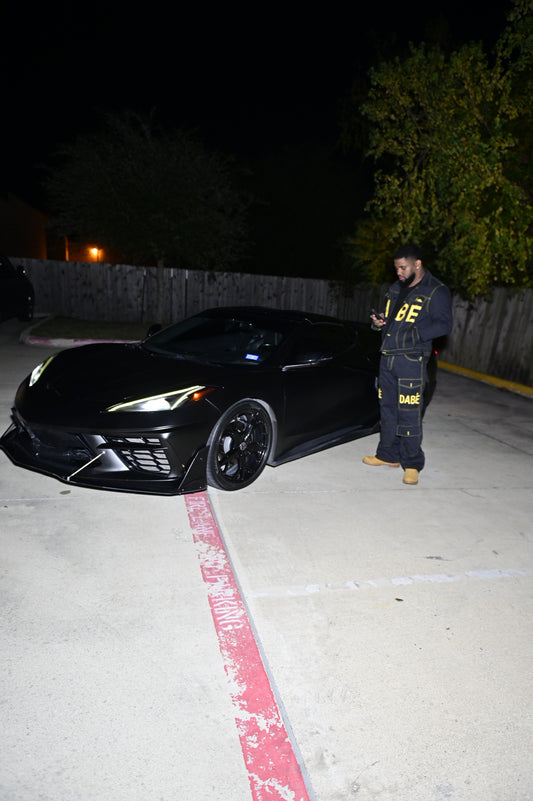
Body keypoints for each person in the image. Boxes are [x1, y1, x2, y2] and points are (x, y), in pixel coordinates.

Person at [363, 243, 453, 485]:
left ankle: (412, 463)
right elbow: (396, 320)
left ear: (417, 264)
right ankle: (387, 455)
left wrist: (414, 335)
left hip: (411, 359)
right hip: (388, 356)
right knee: (387, 410)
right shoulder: (396, 288)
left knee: (409, 413)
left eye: (403, 267)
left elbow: (444, 324)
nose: (399, 272)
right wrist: (381, 323)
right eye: (396, 268)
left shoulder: (436, 290)